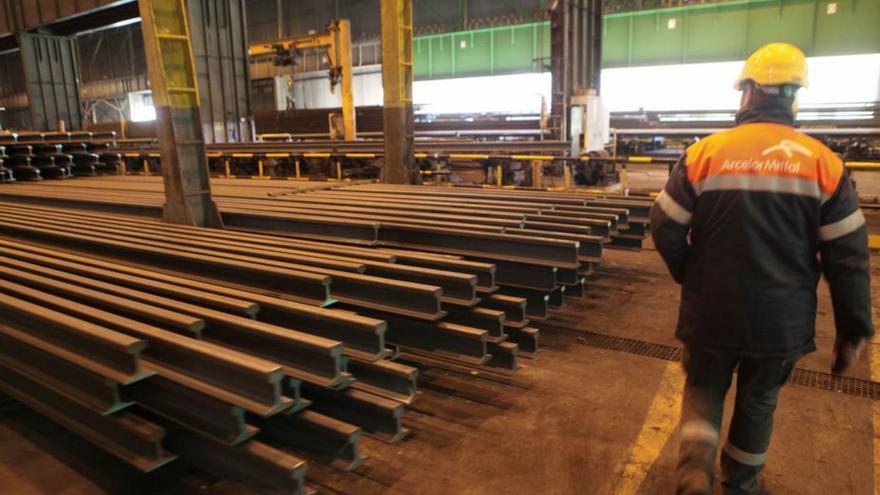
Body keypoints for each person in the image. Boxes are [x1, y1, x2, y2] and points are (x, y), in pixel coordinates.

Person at [650, 42, 874, 495]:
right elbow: (848, 260)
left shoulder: (705, 154)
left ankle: (695, 475)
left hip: (711, 310)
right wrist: (854, 331)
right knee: (758, 403)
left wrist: (688, 272)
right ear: (794, 97)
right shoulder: (824, 166)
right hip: (781, 321)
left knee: (704, 390)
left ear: (747, 93)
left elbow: (664, 225)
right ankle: (742, 484)